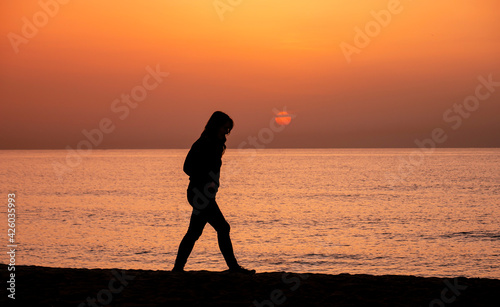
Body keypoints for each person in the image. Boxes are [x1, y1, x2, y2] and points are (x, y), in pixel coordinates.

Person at [172, 111, 254, 274]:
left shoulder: (216, 144)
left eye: (228, 129)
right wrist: (205, 180)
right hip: (198, 194)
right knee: (223, 227)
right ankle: (233, 268)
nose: (227, 132)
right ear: (216, 126)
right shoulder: (203, 143)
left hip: (206, 195)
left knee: (194, 232)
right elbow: (187, 167)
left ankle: (177, 269)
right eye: (225, 128)